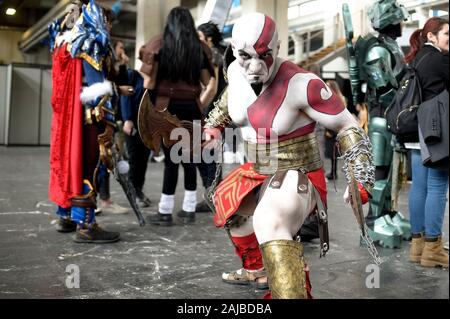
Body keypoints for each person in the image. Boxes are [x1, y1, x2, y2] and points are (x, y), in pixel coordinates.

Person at [203, 12, 374, 299]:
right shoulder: (235, 71)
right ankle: (258, 271)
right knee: (229, 207)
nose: (255, 67)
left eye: (265, 55)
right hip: (258, 165)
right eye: (246, 56)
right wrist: (213, 126)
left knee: (269, 220)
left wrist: (360, 176)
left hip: (298, 169)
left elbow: (347, 125)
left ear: (277, 49)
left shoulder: (302, 83)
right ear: (234, 51)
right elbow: (229, 100)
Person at [48, 0, 120, 243]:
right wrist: (110, 122)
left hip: (68, 119)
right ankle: (87, 225)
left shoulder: (63, 42)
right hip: (89, 118)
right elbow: (97, 88)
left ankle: (66, 215)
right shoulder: (89, 40)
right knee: (88, 166)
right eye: (108, 20)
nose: (108, 27)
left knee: (70, 163)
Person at [139, 7, 216, 226]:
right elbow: (207, 82)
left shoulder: (159, 44)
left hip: (166, 108)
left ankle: (165, 211)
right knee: (190, 159)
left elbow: (149, 83)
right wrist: (198, 103)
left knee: (171, 162)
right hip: (192, 108)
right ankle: (188, 208)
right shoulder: (199, 48)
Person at [344, 0, 411, 248]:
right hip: (383, 117)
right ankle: (373, 219)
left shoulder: (390, 46)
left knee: (391, 170)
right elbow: (384, 89)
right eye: (399, 19)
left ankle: (387, 212)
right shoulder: (377, 51)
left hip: (393, 116)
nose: (402, 23)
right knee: (380, 170)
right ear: (390, 20)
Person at [403, 17, 449, 268]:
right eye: (447, 33)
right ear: (431, 36)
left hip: (415, 129)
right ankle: (433, 248)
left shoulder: (417, 58)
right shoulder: (440, 59)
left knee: (419, 187)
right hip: (436, 130)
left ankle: (417, 245)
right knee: (438, 186)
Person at [195, 22, 227, 213]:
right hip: (220, 109)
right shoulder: (223, 52)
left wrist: (198, 106)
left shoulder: (212, 54)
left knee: (206, 155)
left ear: (209, 38)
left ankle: (213, 195)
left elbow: (212, 86)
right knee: (208, 154)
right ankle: (214, 194)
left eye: (199, 37)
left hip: (212, 110)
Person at [120, 46, 152, 208]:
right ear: (141, 58)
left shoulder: (155, 79)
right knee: (134, 159)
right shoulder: (132, 75)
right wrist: (127, 119)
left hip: (148, 126)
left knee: (144, 160)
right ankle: (133, 193)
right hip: (132, 123)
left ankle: (138, 191)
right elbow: (126, 97)